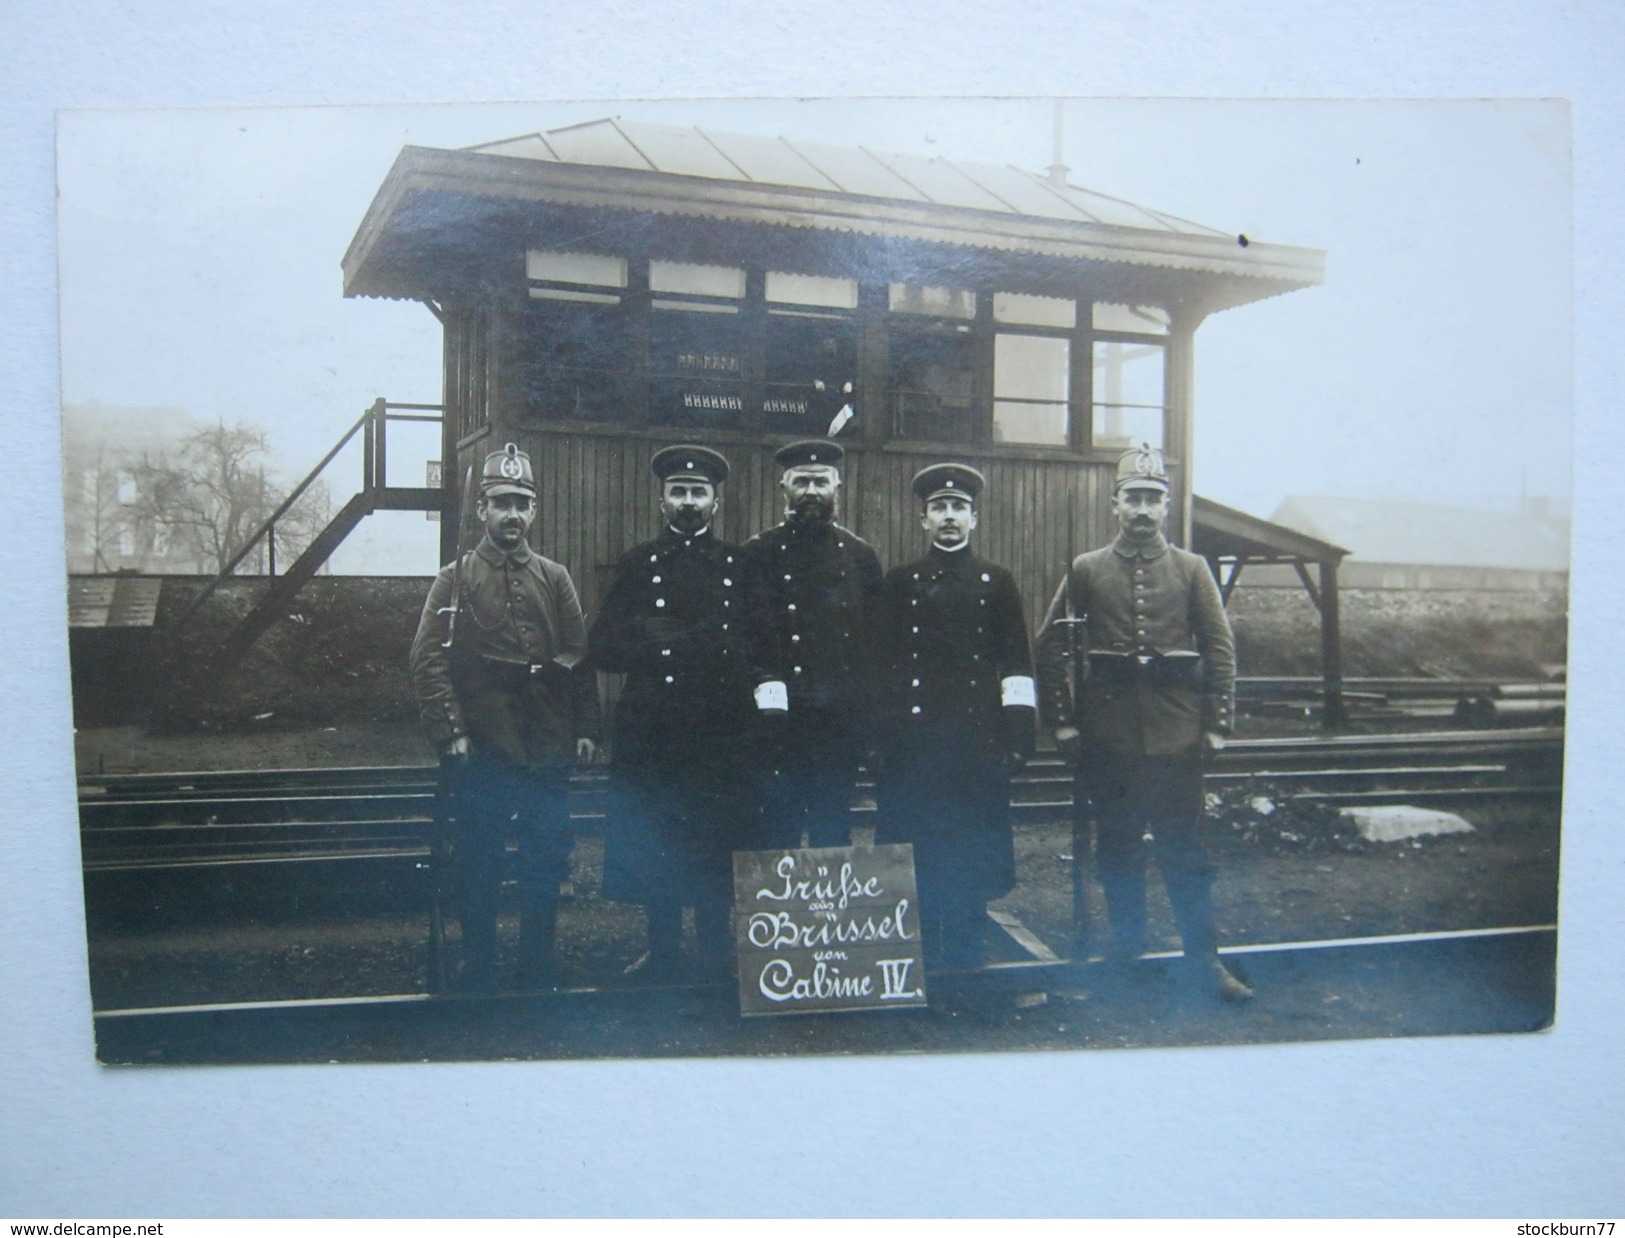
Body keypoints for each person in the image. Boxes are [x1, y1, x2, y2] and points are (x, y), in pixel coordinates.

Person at [1035, 444, 1253, 1002]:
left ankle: (1204, 963)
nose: (1142, 510)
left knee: (1186, 853)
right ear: (1115, 505)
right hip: (1109, 741)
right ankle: (1125, 956)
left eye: (1153, 500)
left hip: (1178, 738)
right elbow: (1051, 647)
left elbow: (1220, 650)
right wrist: (1062, 723)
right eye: (1132, 498)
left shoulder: (1191, 569)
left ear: (1165, 507)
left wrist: (1217, 724)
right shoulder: (1086, 569)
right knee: (1118, 849)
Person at [409, 442, 599, 993]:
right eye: (501, 503)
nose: (512, 514)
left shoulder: (554, 577)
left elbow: (577, 654)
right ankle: (480, 965)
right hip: (485, 745)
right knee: (479, 859)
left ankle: (538, 964)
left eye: (522, 503)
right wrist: (451, 733)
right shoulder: (455, 578)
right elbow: (427, 659)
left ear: (533, 511)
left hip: (547, 743)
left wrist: (586, 727)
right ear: (482, 511)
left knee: (545, 858)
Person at [588, 445, 757, 980]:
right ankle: (661, 953)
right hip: (654, 728)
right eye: (678, 492)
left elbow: (760, 643)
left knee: (715, 836)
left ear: (715, 501)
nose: (688, 502)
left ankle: (715, 949)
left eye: (698, 492)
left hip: (720, 729)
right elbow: (603, 649)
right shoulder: (640, 563)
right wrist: (649, 644)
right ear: (661, 500)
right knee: (656, 840)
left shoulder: (738, 565)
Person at [873, 463, 1036, 969]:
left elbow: (1015, 664)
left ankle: (966, 960)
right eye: (939, 508)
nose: (949, 517)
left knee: (969, 854)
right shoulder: (900, 582)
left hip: (974, 743)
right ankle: (918, 961)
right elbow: (881, 667)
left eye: (958, 508)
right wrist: (878, 740)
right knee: (914, 852)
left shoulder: (996, 582)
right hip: (913, 747)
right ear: (923, 520)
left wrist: (1019, 734)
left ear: (974, 519)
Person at [740, 439, 884, 850]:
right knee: (777, 821)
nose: (811, 492)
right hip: (778, 719)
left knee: (832, 822)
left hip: (839, 720)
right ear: (783, 488)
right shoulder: (758, 554)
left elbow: (875, 644)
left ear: (837, 488)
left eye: (820, 482)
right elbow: (745, 635)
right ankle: (776, 914)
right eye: (801, 482)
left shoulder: (861, 557)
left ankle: (829, 914)